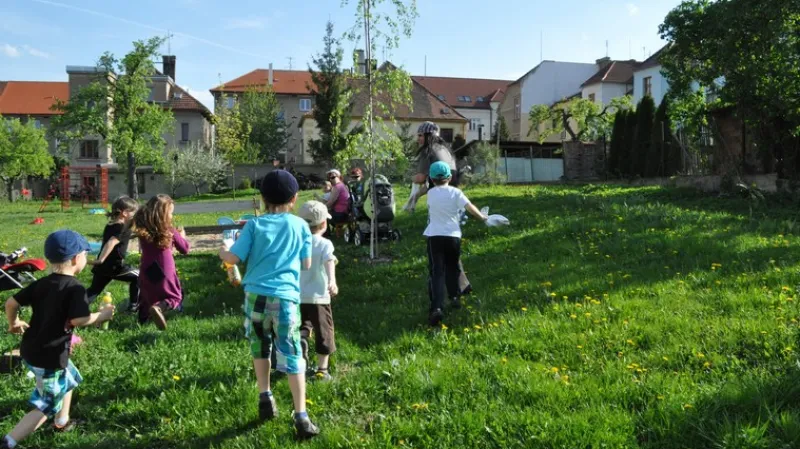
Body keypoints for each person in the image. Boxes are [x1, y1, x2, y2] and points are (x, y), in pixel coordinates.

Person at [218, 170, 320, 439]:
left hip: (255, 297)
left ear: (262, 199)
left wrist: (223, 250)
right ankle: (301, 415)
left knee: (260, 344)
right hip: (286, 298)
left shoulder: (253, 226)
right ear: (294, 199)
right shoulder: (300, 226)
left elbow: (232, 258)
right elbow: (306, 263)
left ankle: (265, 396)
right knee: (291, 351)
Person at [2, 230, 114, 449]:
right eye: (84, 254)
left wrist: (13, 323)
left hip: (31, 349)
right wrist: (102, 316)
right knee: (47, 404)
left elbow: (10, 304)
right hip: (50, 357)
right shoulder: (75, 288)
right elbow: (79, 319)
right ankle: (8, 441)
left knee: (70, 378)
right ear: (75, 259)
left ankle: (62, 422)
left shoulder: (41, 283)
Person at [409, 121, 473, 297]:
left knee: (439, 251)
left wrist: (411, 177)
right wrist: (417, 196)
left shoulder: (428, 151)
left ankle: (441, 293)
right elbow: (433, 181)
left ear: (429, 136)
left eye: (421, 135)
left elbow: (422, 178)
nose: (418, 139)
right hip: (452, 202)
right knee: (451, 248)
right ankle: (461, 285)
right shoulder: (445, 150)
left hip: (439, 207)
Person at [424, 162, 488, 326]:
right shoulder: (456, 192)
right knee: (453, 267)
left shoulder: (431, 193)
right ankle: (454, 298)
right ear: (450, 178)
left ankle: (437, 307)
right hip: (453, 236)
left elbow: (424, 191)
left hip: (435, 236)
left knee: (437, 272)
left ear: (431, 178)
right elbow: (469, 207)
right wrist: (482, 217)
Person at [131, 195, 190, 330]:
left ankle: (142, 321)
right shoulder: (169, 231)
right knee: (174, 296)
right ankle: (158, 308)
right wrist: (182, 236)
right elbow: (185, 249)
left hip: (147, 269)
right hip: (165, 268)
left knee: (147, 295)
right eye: (171, 212)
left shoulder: (143, 230)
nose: (172, 216)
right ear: (163, 214)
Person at [297, 201, 338, 382]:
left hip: (297, 295)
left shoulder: (295, 242)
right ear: (323, 224)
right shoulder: (324, 244)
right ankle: (322, 369)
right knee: (324, 330)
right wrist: (332, 281)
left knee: (302, 325)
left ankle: (302, 344)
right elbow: (329, 262)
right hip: (319, 296)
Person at [87, 197, 139, 311]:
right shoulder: (121, 227)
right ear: (125, 213)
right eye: (134, 212)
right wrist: (100, 259)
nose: (136, 214)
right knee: (139, 277)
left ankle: (74, 308)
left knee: (94, 291)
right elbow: (111, 242)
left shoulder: (111, 225)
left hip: (103, 267)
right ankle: (134, 306)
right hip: (114, 267)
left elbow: (120, 238)